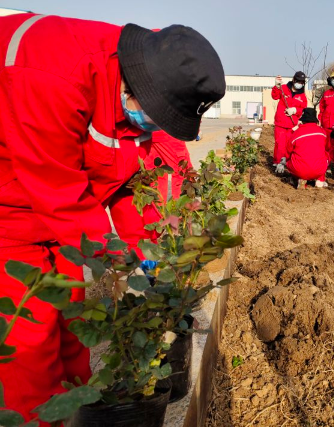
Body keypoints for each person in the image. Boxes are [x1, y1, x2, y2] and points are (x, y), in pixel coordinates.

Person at [0, 14, 225, 424]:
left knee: (73, 332)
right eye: (157, 118)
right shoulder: (53, 74)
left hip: (53, 216)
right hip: (10, 220)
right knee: (30, 353)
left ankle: (73, 413)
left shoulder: (141, 80)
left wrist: (145, 248)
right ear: (138, 87)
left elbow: (125, 179)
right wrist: (116, 255)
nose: (153, 129)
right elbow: (59, 191)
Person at [276, 108, 330, 189]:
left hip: (300, 170)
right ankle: (320, 180)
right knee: (325, 156)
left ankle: (298, 179)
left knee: (291, 158)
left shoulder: (296, 133)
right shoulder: (322, 132)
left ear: (303, 121)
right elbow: (327, 148)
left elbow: (288, 152)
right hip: (319, 169)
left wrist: (283, 162)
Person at [271, 71, 308, 166]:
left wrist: (295, 110)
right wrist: (277, 87)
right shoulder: (284, 88)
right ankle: (278, 163)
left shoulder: (302, 96)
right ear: (294, 80)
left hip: (292, 124)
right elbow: (275, 96)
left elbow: (303, 110)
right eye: (298, 81)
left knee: (290, 145)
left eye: (301, 82)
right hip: (280, 123)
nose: (299, 84)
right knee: (280, 144)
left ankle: (287, 163)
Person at [145, 130, 193, 200]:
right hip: (169, 132)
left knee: (158, 173)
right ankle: (180, 204)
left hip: (149, 133)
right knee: (182, 172)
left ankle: (158, 205)